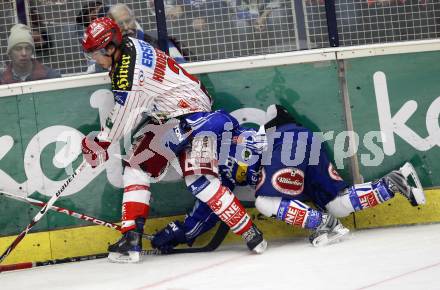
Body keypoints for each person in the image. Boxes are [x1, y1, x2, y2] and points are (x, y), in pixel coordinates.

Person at [80, 17, 266, 263]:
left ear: (111, 47)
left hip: (179, 117)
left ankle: (130, 242)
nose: (94, 59)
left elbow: (125, 114)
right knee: (200, 179)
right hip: (199, 112)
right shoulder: (132, 44)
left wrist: (100, 142)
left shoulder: (127, 72)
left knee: (136, 167)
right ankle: (252, 235)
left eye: (95, 54)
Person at [151, 104, 426, 252]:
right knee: (335, 203)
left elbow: (219, 121)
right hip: (300, 140)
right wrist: (174, 235)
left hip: (284, 142)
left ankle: (326, 226)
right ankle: (393, 184)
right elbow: (208, 214)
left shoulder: (205, 142)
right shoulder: (213, 160)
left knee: (265, 203)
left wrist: (176, 138)